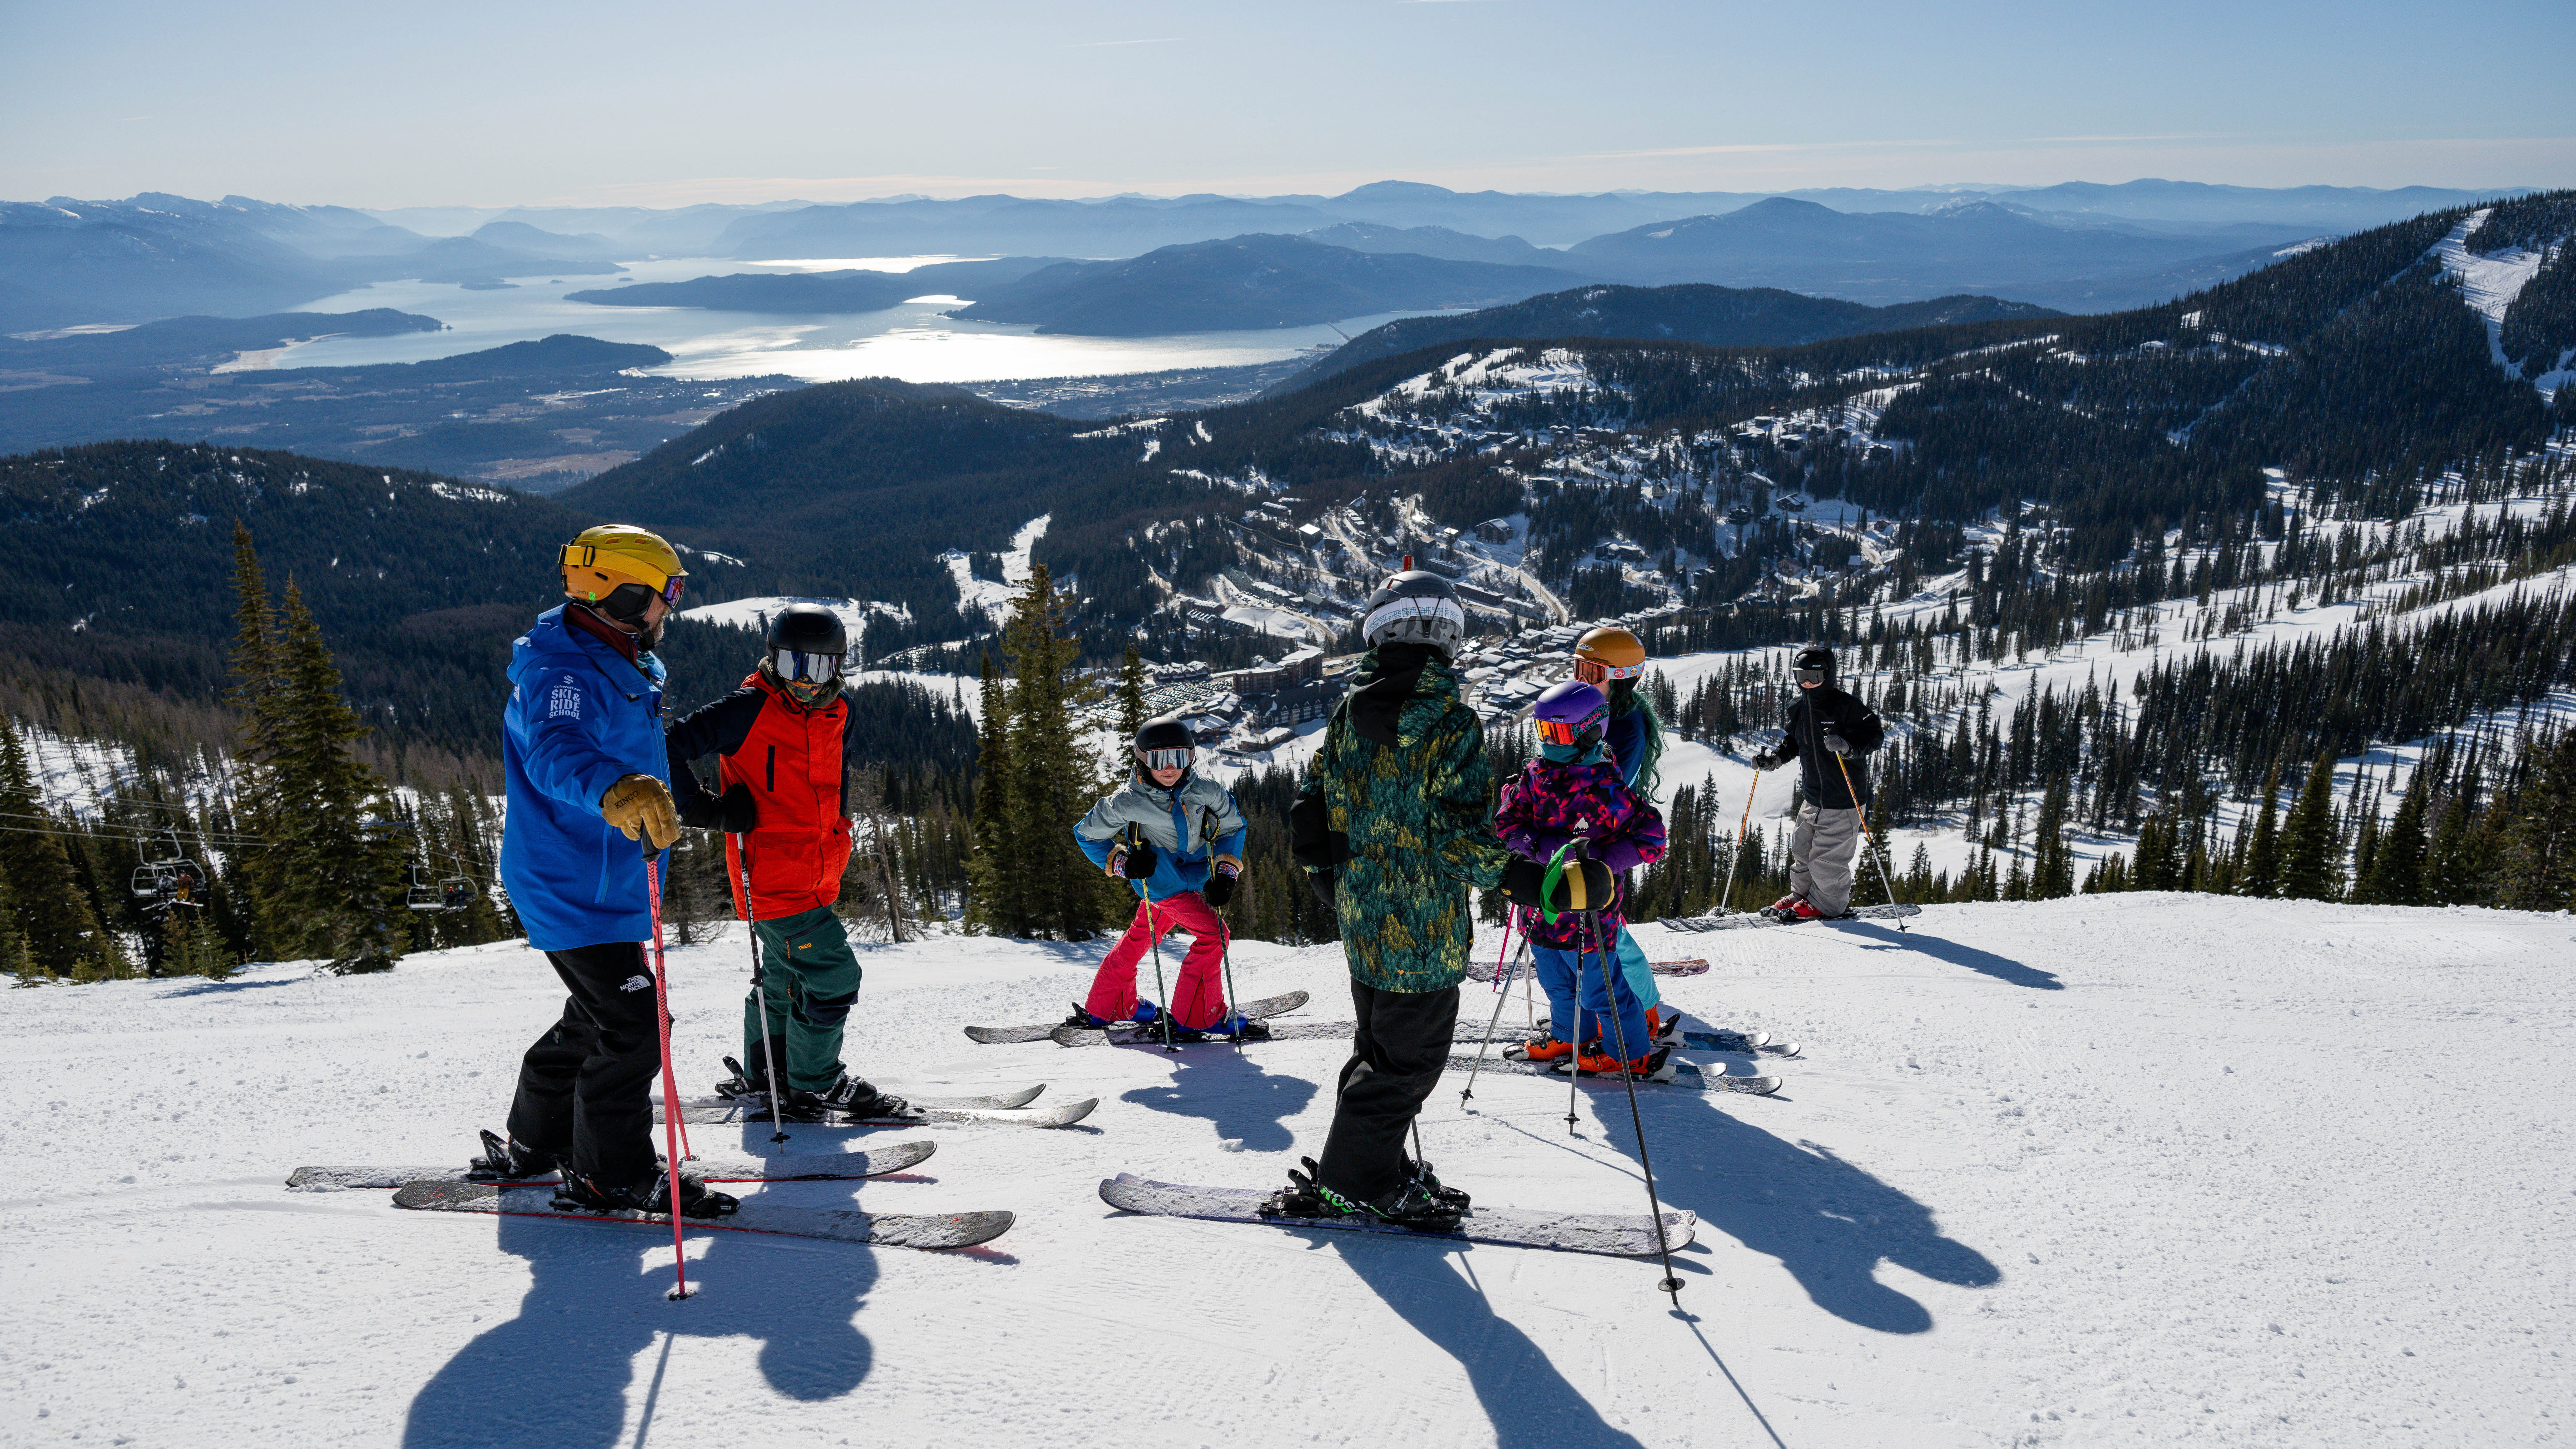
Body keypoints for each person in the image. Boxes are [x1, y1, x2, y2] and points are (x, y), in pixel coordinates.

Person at [1273, 568, 1598, 1231]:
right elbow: (1458, 838)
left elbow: (1315, 799)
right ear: (1449, 637)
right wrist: (1532, 883)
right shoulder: (1450, 723)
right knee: (1406, 1066)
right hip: (1421, 930)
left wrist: (1322, 868)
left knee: (1378, 1053)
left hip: (1362, 916)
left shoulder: (1347, 712)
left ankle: (1369, 1168)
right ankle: (1358, 1184)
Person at [486, 524, 735, 1219]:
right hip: (568, 883)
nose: (671, 608)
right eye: (667, 593)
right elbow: (556, 751)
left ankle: (536, 1140)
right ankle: (611, 1175)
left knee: (599, 1016)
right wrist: (614, 790)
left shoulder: (615, 656)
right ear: (623, 593)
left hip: (603, 878)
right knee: (634, 1021)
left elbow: (642, 755)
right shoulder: (563, 672)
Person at [663, 603, 909, 1122]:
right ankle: (816, 1082)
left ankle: (768, 1072)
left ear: (838, 665)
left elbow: (829, 782)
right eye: (794, 664)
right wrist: (707, 810)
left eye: (819, 667)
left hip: (818, 871)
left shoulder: (840, 710)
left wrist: (837, 830)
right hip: (772, 877)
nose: (805, 679)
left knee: (782, 978)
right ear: (774, 658)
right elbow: (669, 745)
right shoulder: (747, 708)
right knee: (834, 975)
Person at [1493, 680, 1670, 1076]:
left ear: (1591, 732)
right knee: (1557, 984)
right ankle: (1571, 1035)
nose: (1548, 743)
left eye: (1558, 733)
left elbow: (1652, 837)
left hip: (1591, 916)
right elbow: (1507, 823)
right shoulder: (1535, 777)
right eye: (1543, 732)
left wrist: (1604, 860)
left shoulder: (1609, 788)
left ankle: (1629, 1053)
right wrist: (1542, 847)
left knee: (1601, 991)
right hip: (1543, 910)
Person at [1069, 718, 1256, 1037]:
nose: (1170, 768)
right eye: (1159, 760)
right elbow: (1087, 835)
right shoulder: (1128, 801)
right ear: (1143, 760)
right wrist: (1123, 865)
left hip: (1196, 876)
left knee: (1142, 936)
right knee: (1216, 936)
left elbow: (1233, 826)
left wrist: (1225, 873)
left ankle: (1110, 1005)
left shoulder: (1204, 791)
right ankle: (1198, 1016)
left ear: (1191, 758)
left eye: (1179, 757)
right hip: (1162, 884)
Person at [1571, 626, 1679, 1043]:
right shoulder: (1592, 706)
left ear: (1617, 677)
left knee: (1605, 929)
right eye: (1577, 666)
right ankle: (1629, 1003)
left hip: (1602, 836)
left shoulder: (1626, 727)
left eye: (1590, 669)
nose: (1580, 676)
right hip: (1581, 829)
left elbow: (1613, 784)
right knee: (1600, 926)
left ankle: (1644, 1009)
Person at [1749, 644, 1886, 920]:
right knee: (1802, 848)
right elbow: (1794, 741)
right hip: (1813, 797)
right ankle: (1803, 894)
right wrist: (1775, 758)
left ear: (1829, 675)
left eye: (1815, 676)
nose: (1808, 683)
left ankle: (1828, 904)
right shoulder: (1800, 707)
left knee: (1828, 858)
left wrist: (1848, 748)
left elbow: (1875, 736)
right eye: (1801, 677)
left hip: (1842, 798)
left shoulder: (1846, 706)